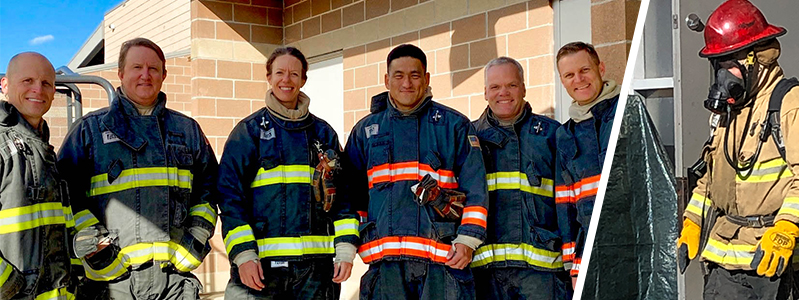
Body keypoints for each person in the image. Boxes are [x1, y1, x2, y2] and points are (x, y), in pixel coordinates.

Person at [676, 0, 799, 299]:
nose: (722, 78)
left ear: (754, 60)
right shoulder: (731, 113)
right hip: (728, 265)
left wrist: (787, 228)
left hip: (782, 265)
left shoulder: (795, 104)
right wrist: (692, 221)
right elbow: (712, 177)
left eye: (728, 67)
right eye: (718, 67)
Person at [57, 38, 219, 299]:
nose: (145, 75)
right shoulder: (90, 130)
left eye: (153, 69)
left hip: (174, 282)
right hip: (113, 283)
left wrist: (196, 238)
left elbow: (209, 189)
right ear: (120, 73)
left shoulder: (187, 130)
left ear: (164, 75)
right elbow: (66, 197)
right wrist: (99, 252)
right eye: (137, 67)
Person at [343, 44, 488, 299]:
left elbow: (476, 188)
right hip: (385, 266)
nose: (407, 83)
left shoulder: (453, 125)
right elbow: (351, 196)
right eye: (398, 75)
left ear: (427, 79)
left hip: (442, 264)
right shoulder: (365, 131)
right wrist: (350, 245)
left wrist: (468, 240)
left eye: (415, 75)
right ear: (387, 80)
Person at [218, 46, 359, 299]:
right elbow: (230, 198)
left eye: (294, 74)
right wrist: (244, 254)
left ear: (303, 79)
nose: (286, 80)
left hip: (317, 273)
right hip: (261, 270)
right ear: (269, 77)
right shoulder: (248, 133)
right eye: (280, 72)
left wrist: (346, 249)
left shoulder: (323, 134)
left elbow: (344, 197)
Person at [468, 56, 568, 299]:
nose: (503, 93)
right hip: (485, 273)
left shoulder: (552, 134)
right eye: (495, 87)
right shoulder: (468, 139)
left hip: (542, 273)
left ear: (523, 88)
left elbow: (568, 202)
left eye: (511, 85)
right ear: (485, 92)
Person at [0, 52, 76, 300]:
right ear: (5, 85)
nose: (38, 89)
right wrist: (7, 286)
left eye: (46, 83)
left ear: (54, 91)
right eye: (27, 80)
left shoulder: (43, 149)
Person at [553, 42, 622, 287]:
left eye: (584, 70)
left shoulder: (626, 111)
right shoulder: (565, 134)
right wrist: (573, 266)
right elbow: (567, 205)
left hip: (629, 244)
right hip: (589, 254)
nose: (578, 80)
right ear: (562, 81)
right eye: (569, 75)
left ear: (600, 68)